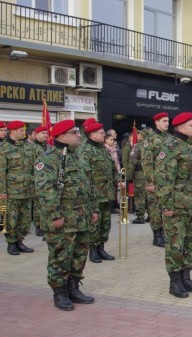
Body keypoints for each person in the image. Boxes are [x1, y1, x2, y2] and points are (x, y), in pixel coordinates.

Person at [35, 120, 98, 311]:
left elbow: (88, 185)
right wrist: (55, 216)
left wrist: (94, 209)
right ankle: (59, 292)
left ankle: (73, 288)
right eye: (74, 132)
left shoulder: (77, 157)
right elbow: (46, 190)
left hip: (81, 216)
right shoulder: (48, 158)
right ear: (62, 136)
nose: (79, 135)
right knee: (60, 256)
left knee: (79, 255)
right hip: (63, 218)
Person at [155, 112, 192, 298]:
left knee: (190, 242)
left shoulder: (191, 146)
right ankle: (175, 282)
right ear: (181, 127)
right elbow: (164, 178)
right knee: (175, 243)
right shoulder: (170, 146)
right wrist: (166, 205)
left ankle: (186, 278)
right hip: (177, 205)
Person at [79, 123, 118, 263]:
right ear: (92, 134)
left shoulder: (103, 149)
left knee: (105, 223)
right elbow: (85, 176)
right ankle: (93, 250)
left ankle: (101, 248)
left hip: (107, 193)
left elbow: (112, 168)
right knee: (94, 224)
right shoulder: (85, 150)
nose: (104, 135)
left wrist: (119, 180)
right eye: (101, 133)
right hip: (95, 194)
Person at [0, 121, 36, 255]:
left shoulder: (29, 148)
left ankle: (20, 241)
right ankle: (11, 243)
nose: (24, 133)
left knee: (25, 219)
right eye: (21, 130)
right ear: (13, 131)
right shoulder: (3, 148)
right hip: (11, 191)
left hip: (27, 190)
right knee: (11, 219)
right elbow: (1, 172)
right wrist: (2, 192)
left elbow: (33, 170)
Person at [141, 112, 170, 247]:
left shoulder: (170, 139)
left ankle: (165, 232)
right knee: (155, 208)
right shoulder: (150, 139)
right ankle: (157, 235)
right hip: (156, 180)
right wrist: (150, 182)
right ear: (157, 122)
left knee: (166, 206)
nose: (167, 123)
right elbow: (147, 162)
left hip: (168, 181)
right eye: (164, 121)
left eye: (167, 121)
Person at [123, 131, 146, 224]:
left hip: (139, 174)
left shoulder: (138, 146)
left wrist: (128, 177)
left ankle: (140, 216)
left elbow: (132, 162)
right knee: (148, 196)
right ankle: (151, 216)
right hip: (149, 174)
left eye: (139, 134)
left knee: (139, 195)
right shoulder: (150, 145)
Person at [32, 126, 50, 237]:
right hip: (38, 179)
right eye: (43, 133)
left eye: (46, 133)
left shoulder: (48, 147)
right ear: (36, 134)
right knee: (38, 205)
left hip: (48, 179)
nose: (45, 135)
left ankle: (45, 224)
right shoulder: (32, 148)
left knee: (46, 204)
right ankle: (38, 225)